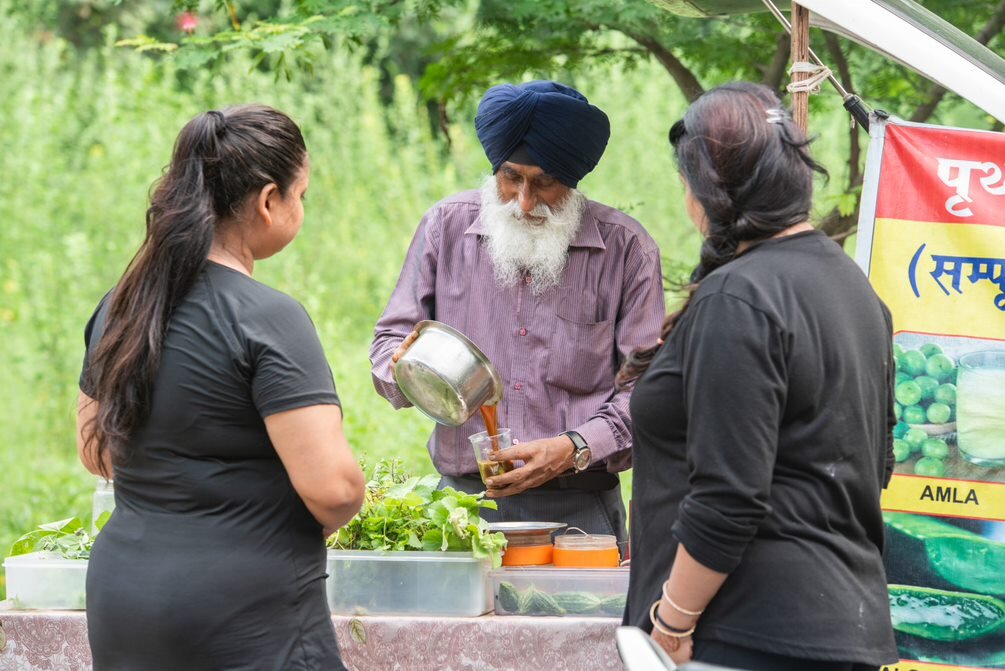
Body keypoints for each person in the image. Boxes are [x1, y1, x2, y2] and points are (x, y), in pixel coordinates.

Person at [76, 105, 365, 671]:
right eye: (300, 195)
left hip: (123, 599)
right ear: (267, 200)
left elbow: (97, 452)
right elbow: (332, 489)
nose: (301, 209)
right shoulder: (269, 317)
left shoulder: (120, 306)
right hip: (244, 612)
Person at [621, 82, 898, 670]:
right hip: (843, 626)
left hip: (747, 634)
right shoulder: (853, 289)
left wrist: (671, 622)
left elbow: (729, 495)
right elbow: (876, 467)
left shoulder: (739, 297)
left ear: (708, 189)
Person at [370, 80, 665, 542]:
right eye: (511, 178)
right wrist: (406, 371)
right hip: (462, 509)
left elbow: (650, 393)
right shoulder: (445, 228)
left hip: (580, 513)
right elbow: (389, 343)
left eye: (544, 183)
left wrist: (574, 446)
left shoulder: (627, 250)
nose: (524, 202)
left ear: (573, 178)